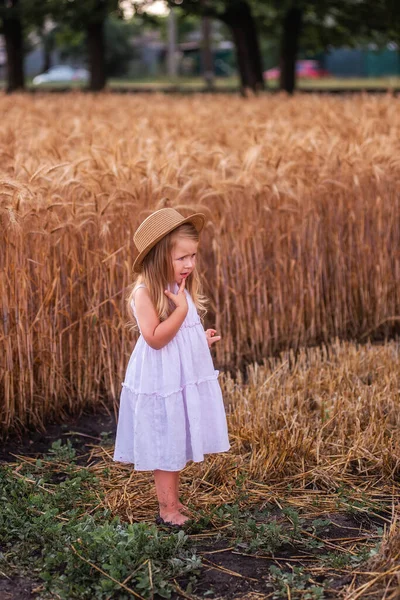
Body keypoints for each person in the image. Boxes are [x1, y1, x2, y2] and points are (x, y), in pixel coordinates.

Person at [113, 207, 230, 528]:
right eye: (182, 258)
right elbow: (154, 339)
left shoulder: (180, 289)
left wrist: (198, 341)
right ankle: (166, 509)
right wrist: (180, 313)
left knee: (176, 438)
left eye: (193, 256)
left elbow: (178, 338)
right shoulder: (144, 293)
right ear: (159, 257)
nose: (190, 264)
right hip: (159, 384)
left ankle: (174, 501)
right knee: (166, 441)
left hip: (178, 378)